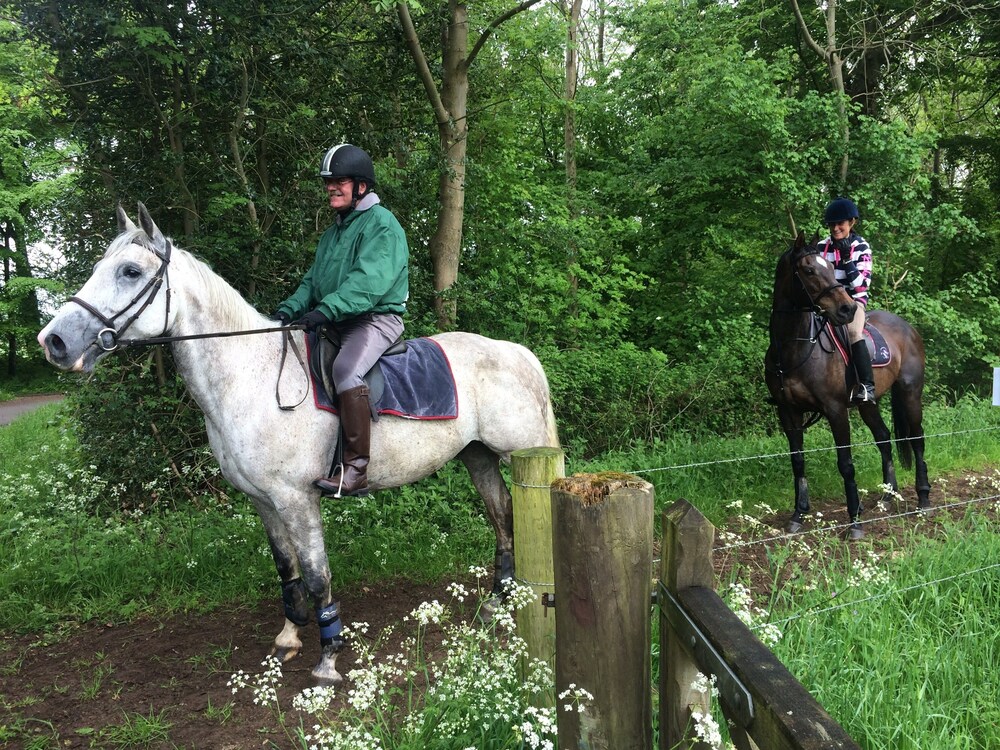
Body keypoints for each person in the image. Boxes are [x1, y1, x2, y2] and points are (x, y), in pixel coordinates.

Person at [272, 144, 409, 497]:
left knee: (346, 370)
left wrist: (325, 311)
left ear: (361, 186)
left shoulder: (383, 225)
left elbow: (367, 284)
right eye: (328, 182)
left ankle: (356, 470)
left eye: (339, 181)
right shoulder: (333, 233)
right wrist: (289, 309)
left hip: (374, 319)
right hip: (338, 319)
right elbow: (312, 282)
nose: (331, 187)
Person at [819, 196, 875, 404]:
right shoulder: (821, 247)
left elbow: (861, 285)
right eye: (832, 224)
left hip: (852, 302)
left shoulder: (862, 247)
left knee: (853, 331)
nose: (835, 228)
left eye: (840, 223)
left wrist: (846, 260)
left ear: (851, 223)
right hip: (826, 303)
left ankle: (867, 386)